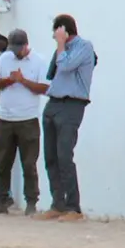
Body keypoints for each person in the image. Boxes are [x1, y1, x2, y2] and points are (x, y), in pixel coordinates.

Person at [36, 14, 96, 222]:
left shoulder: (84, 46)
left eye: (56, 32)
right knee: (50, 156)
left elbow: (67, 66)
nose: (54, 36)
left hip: (72, 104)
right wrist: (59, 47)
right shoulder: (60, 50)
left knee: (64, 155)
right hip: (54, 101)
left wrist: (61, 45)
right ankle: (57, 203)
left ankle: (73, 206)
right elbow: (52, 74)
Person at [0, 29, 48, 215]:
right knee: (3, 162)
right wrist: (10, 80)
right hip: (5, 118)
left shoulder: (39, 61)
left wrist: (23, 81)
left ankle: (31, 202)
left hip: (28, 119)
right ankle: (1, 199)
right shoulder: (4, 59)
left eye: (19, 47)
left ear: (26, 45)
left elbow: (43, 88)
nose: (16, 52)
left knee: (29, 164)